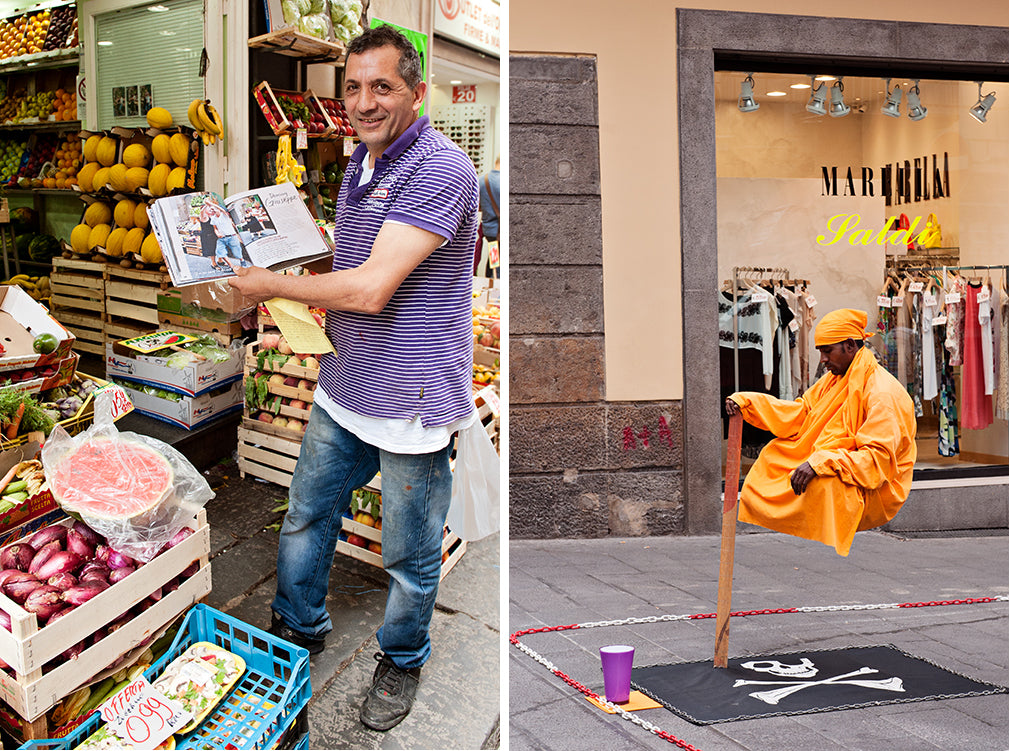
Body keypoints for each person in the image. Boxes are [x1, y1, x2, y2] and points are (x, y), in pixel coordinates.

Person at [226, 24, 479, 732]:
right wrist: (296, 283)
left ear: (417, 92)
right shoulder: (364, 162)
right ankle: (297, 627)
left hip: (411, 400)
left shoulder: (442, 169)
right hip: (347, 386)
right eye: (354, 87)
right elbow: (351, 266)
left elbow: (371, 290)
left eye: (383, 87)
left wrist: (268, 282)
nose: (364, 102)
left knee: (407, 553)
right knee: (307, 515)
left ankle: (402, 655)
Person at [725, 308, 917, 557]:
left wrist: (821, 462)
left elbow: (876, 461)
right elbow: (801, 412)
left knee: (825, 483)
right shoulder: (834, 379)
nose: (823, 360)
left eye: (827, 351)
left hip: (877, 486)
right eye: (820, 353)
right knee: (772, 457)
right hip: (840, 456)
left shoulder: (882, 393)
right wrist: (748, 403)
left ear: (849, 346)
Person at [200, 200, 245, 269]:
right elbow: (203, 214)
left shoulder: (217, 216)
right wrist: (206, 205)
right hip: (208, 236)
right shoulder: (205, 217)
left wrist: (211, 205)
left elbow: (216, 226)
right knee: (213, 250)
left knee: (224, 249)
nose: (212, 210)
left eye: (212, 209)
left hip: (218, 236)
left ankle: (220, 261)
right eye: (210, 209)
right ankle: (214, 264)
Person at [477, 156, 500, 277]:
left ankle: (492, 283)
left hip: (490, 233)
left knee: (494, 263)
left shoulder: (481, 180)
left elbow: (478, 206)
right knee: (498, 269)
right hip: (501, 232)